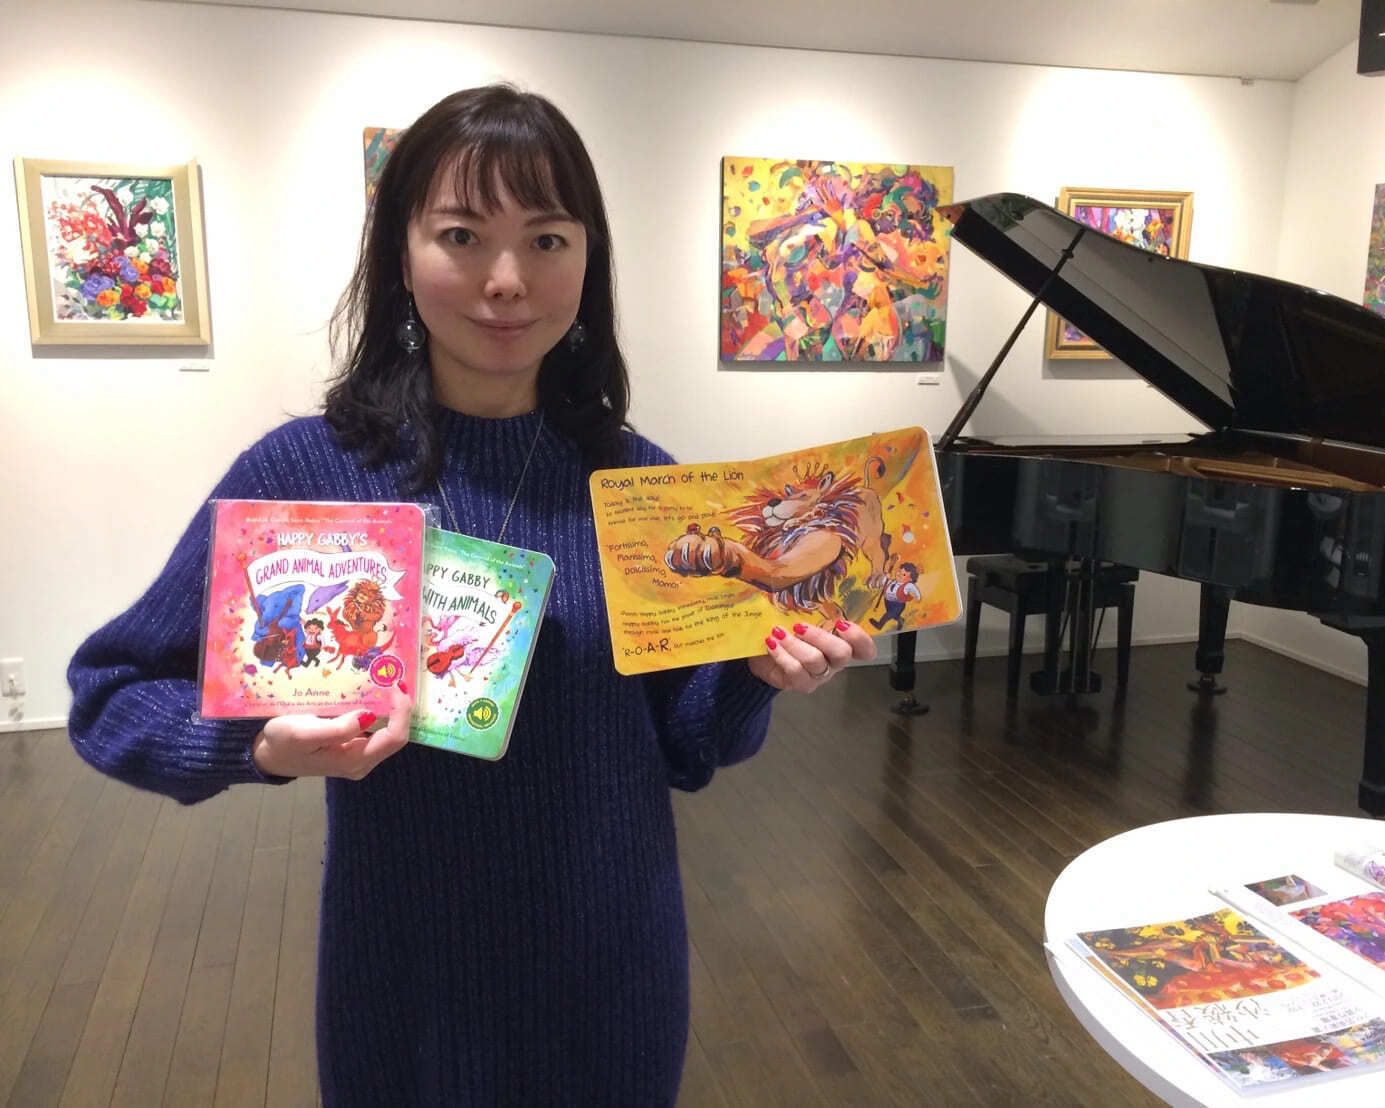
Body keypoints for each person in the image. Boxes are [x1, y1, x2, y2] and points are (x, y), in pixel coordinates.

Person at [67, 84, 876, 1106]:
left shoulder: (642, 490)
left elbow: (684, 743)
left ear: (589, 260)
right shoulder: (309, 472)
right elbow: (110, 694)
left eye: (547, 239)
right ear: (400, 256)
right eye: (461, 235)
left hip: (611, 970)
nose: (506, 280)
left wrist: (756, 672)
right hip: (406, 977)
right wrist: (260, 745)